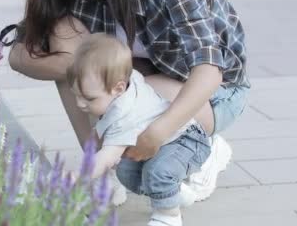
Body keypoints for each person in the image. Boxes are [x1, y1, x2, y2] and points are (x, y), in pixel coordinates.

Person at [0, 0, 250, 213]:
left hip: (214, 94)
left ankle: (201, 150)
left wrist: (157, 133)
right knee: (71, 49)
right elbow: (20, 54)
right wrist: (75, 67)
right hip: (144, 86)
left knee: (99, 71)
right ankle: (103, 166)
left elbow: (209, 70)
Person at [67, 33, 210, 225]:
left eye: (89, 98)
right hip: (164, 143)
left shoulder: (123, 117)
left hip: (187, 140)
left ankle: (168, 215)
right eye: (76, 95)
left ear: (118, 89)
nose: (80, 104)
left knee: (158, 172)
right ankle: (171, 190)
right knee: (126, 171)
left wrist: (78, 175)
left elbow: (106, 158)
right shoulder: (129, 79)